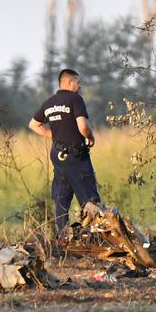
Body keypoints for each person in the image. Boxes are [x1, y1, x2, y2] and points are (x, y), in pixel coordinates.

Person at [29, 68, 101, 233]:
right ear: (69, 82)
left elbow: (33, 124)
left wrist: (53, 135)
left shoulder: (49, 103)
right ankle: (95, 234)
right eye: (78, 82)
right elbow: (82, 126)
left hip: (57, 153)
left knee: (62, 197)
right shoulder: (75, 99)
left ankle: (61, 236)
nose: (80, 86)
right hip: (75, 154)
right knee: (90, 197)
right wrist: (90, 138)